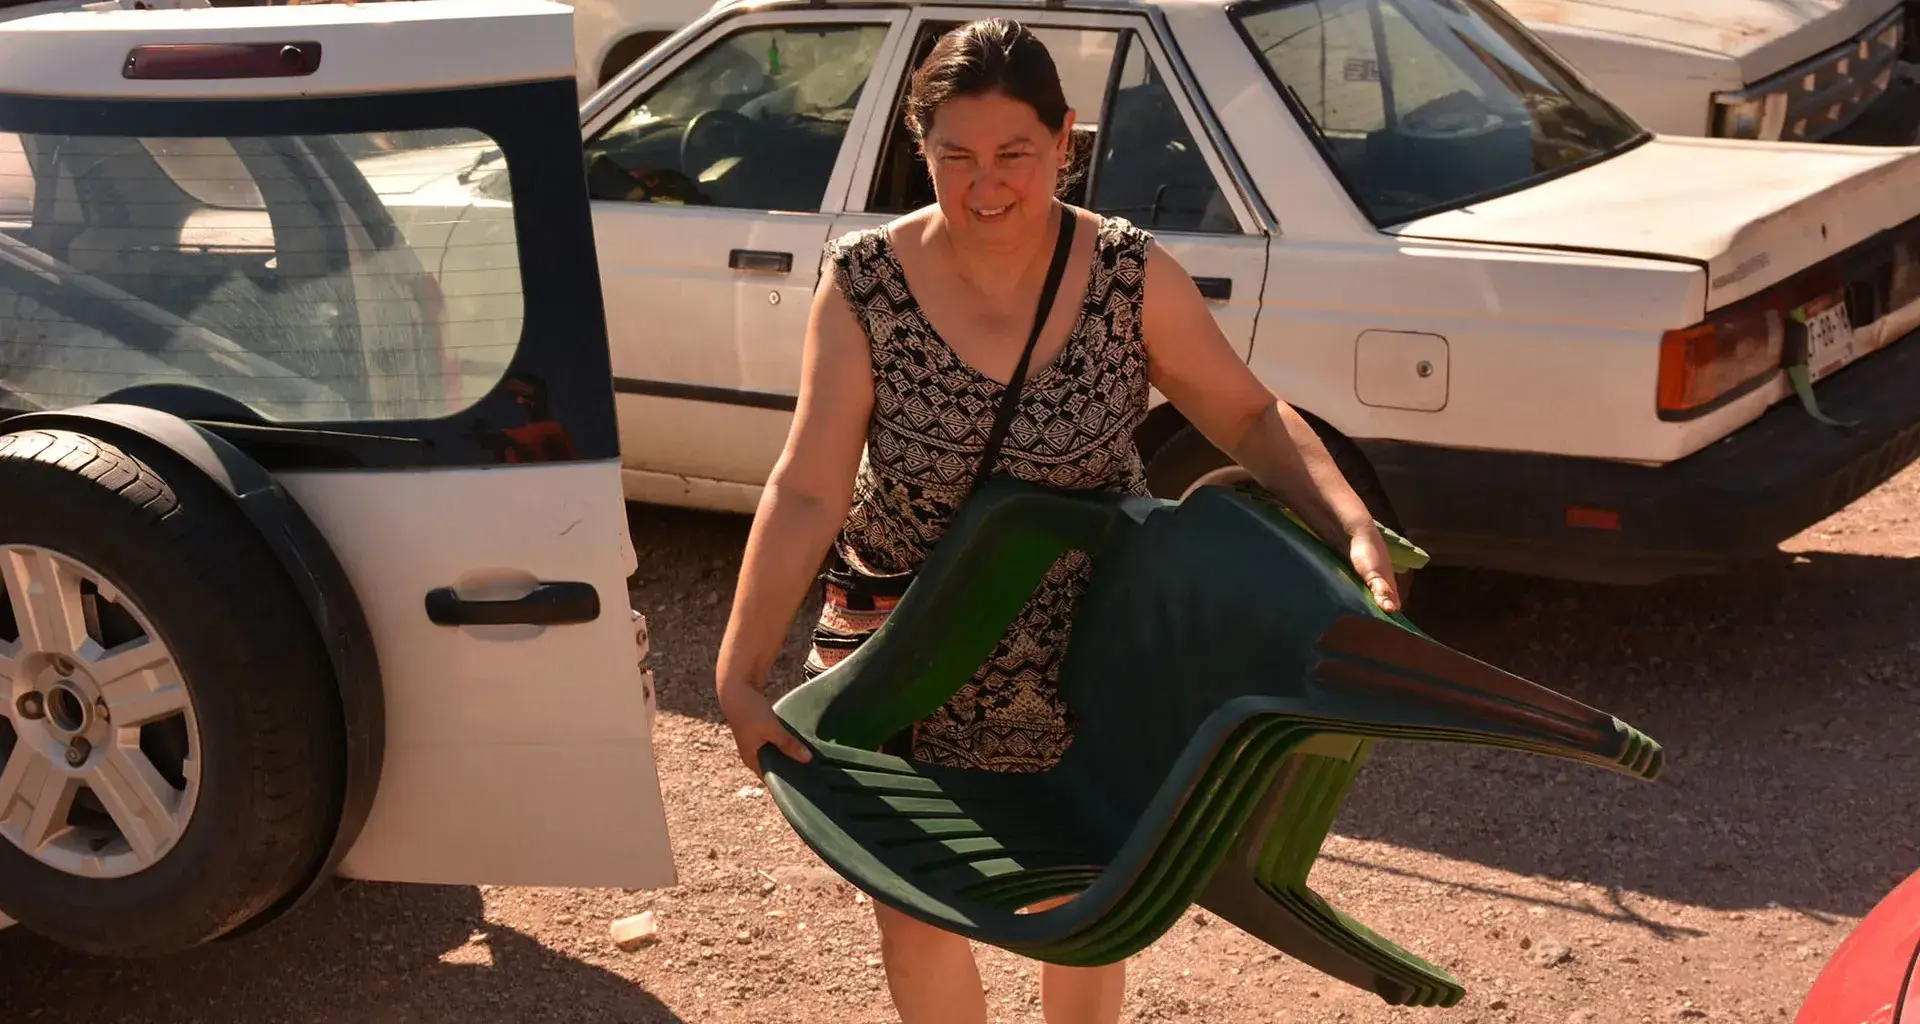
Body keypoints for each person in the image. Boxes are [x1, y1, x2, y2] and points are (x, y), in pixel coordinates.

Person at [714, 18, 1401, 1024]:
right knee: (917, 909)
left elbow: (1247, 414)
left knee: (1079, 899)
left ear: (1064, 141)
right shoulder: (864, 281)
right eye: (954, 158)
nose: (985, 186)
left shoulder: (1126, 275)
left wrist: (1346, 517)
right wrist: (737, 669)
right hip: (900, 649)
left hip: (1075, 657)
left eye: (1013, 157)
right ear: (922, 148)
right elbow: (808, 486)